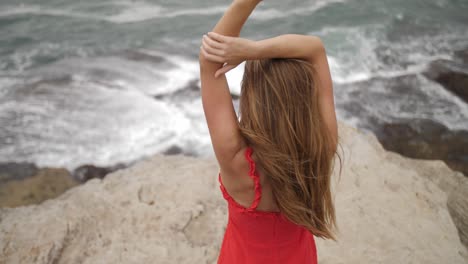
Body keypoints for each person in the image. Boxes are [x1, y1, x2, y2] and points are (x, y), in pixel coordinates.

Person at [199, 0, 341, 263]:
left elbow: (209, 60)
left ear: (253, 99)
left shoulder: (238, 162)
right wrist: (254, 50)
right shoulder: (323, 145)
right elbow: (316, 49)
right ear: (306, 99)